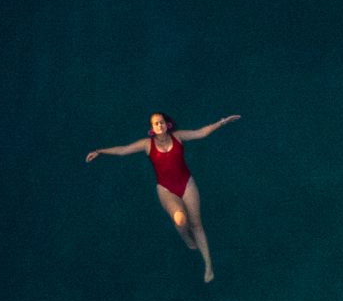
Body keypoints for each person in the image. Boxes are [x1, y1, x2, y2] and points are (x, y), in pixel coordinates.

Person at [86, 112, 240, 282]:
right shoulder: (147, 145)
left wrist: (222, 122)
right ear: (151, 129)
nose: (159, 125)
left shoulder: (178, 137)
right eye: (155, 124)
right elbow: (123, 150)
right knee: (181, 220)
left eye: (161, 122)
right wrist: (99, 151)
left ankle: (208, 266)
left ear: (167, 125)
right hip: (166, 190)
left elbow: (201, 133)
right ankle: (187, 239)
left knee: (197, 225)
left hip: (187, 184)